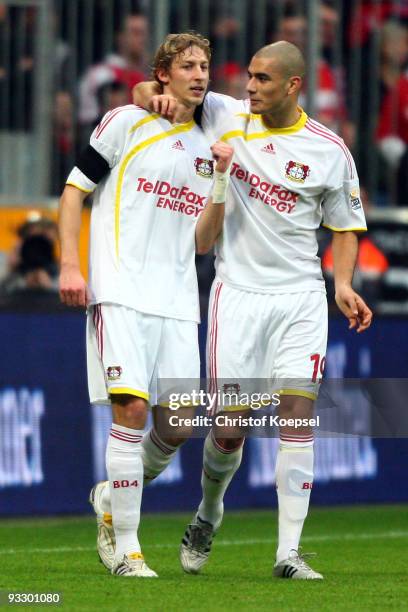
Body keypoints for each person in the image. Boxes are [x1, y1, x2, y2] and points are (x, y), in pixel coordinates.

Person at [133, 40, 373, 580]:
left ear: (292, 86)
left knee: (297, 419)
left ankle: (288, 552)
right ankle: (208, 513)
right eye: (248, 76)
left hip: (301, 298)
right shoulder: (227, 114)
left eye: (263, 79)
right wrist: (151, 92)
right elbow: (153, 89)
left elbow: (345, 225)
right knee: (230, 429)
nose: (249, 86)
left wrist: (341, 284)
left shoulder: (328, 149)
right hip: (237, 294)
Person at [59, 32, 233, 578]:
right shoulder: (123, 122)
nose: (200, 74)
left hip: (179, 297)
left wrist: (223, 183)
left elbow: (204, 242)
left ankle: (112, 496)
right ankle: (126, 547)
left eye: (205, 65)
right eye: (187, 66)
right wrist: (70, 264)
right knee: (130, 410)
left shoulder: (210, 143)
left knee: (179, 421)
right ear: (163, 72)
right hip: (120, 289)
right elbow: (73, 191)